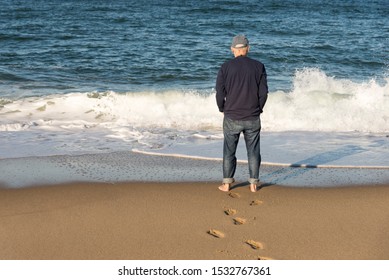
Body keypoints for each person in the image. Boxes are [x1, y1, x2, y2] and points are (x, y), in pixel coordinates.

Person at [216, 35, 268, 193]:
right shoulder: (259, 66)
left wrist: (222, 108)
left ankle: (226, 184)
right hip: (252, 115)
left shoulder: (225, 67)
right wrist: (259, 108)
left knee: (229, 151)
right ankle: (253, 184)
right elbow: (264, 93)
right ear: (248, 48)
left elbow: (220, 93)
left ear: (232, 49)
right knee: (253, 151)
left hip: (232, 115)